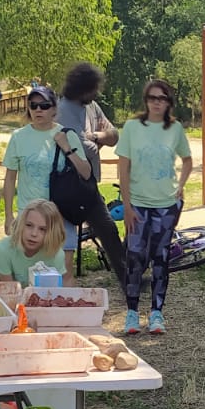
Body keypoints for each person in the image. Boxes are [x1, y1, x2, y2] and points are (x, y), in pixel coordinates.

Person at [115, 78, 193, 334]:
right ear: (145, 100)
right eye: (151, 98)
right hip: (137, 204)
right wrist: (126, 205)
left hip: (166, 205)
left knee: (161, 259)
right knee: (135, 257)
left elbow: (187, 160)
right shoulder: (132, 127)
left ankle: (157, 313)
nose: (156, 103)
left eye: (161, 98)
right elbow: (123, 167)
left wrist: (180, 185)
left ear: (169, 101)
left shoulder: (176, 129)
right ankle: (132, 312)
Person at [1, 84, 90, 278]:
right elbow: (9, 178)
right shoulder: (18, 137)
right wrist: (8, 215)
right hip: (28, 214)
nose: (38, 110)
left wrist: (67, 148)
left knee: (63, 272)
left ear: (55, 109)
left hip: (60, 213)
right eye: (33, 105)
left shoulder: (67, 135)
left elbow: (85, 171)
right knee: (25, 271)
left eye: (44, 105)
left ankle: (60, 308)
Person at [57, 62, 127, 280]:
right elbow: (82, 149)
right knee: (101, 228)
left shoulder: (92, 106)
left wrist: (95, 137)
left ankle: (128, 279)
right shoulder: (63, 109)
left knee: (108, 229)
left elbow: (114, 135)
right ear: (81, 87)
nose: (96, 92)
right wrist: (93, 142)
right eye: (93, 88)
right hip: (70, 184)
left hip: (90, 182)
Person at [0, 199, 68, 284]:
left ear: (53, 233)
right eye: (29, 225)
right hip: (7, 285)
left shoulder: (56, 255)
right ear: (21, 223)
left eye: (42, 229)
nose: (34, 234)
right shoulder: (5, 248)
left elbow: (53, 291)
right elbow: (9, 290)